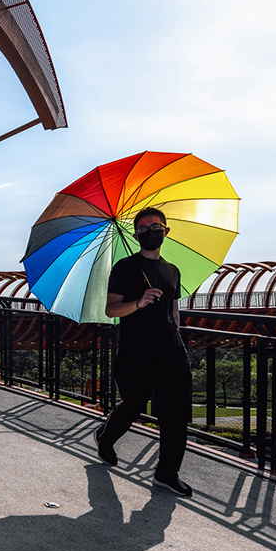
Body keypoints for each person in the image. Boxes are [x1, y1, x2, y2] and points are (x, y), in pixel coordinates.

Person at [95, 206, 193, 497]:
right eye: (143, 229)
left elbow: (174, 310)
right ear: (136, 234)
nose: (150, 232)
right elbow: (111, 308)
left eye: (155, 227)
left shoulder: (172, 271)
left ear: (166, 230)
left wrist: (177, 334)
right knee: (134, 404)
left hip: (170, 349)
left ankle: (167, 472)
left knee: (176, 412)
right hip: (136, 350)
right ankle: (105, 436)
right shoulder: (124, 267)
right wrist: (138, 302)